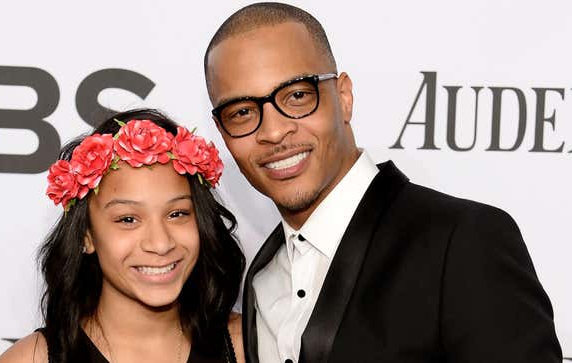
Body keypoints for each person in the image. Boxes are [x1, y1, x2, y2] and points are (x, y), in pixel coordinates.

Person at [203, 2, 562, 363]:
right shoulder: (259, 280)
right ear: (223, 132)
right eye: (242, 112)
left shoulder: (462, 240)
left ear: (343, 97)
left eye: (297, 96)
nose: (274, 131)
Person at [0, 109, 246, 363]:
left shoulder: (246, 343)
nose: (160, 244)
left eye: (177, 214)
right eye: (128, 219)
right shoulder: (33, 359)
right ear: (86, 235)